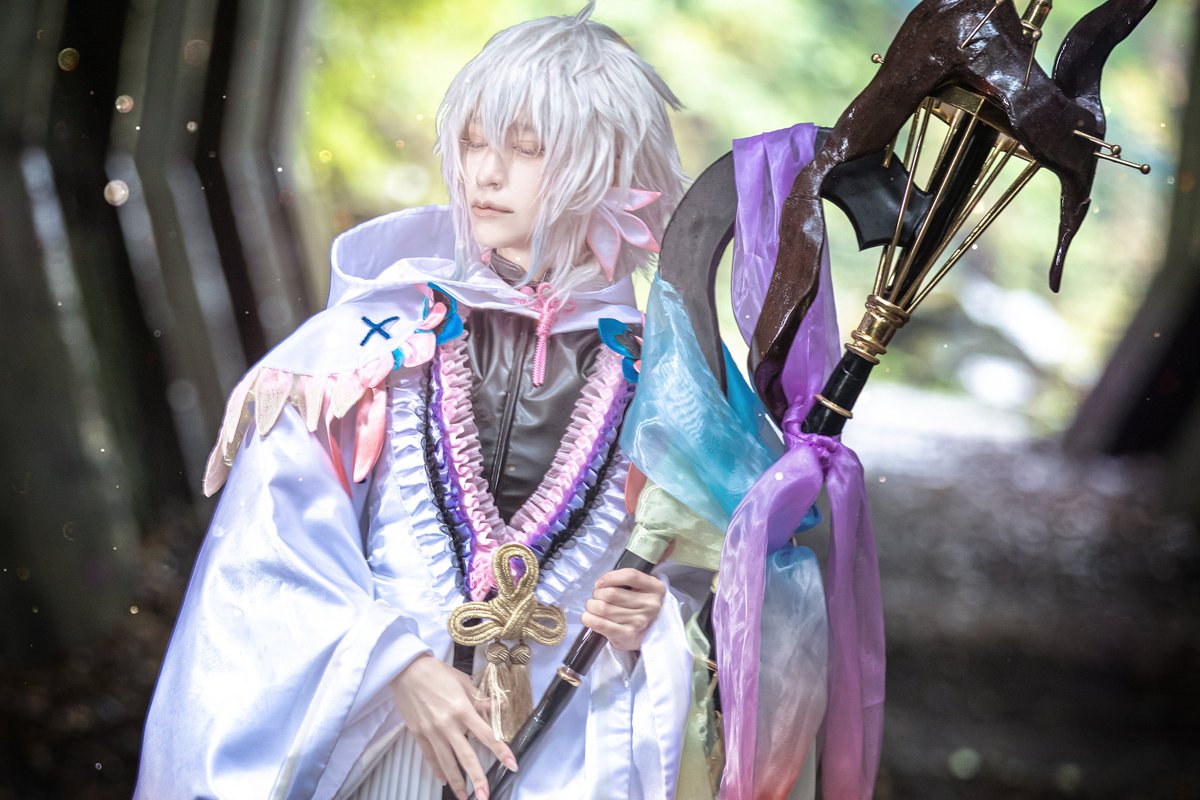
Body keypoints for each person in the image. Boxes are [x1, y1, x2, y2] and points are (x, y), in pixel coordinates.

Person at [135, 4, 702, 799]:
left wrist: (656, 627)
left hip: (572, 757)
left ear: (610, 166)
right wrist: (391, 661)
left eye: (527, 148)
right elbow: (271, 547)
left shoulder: (674, 384)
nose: (485, 174)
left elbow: (724, 596)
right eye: (471, 143)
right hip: (376, 749)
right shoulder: (359, 351)